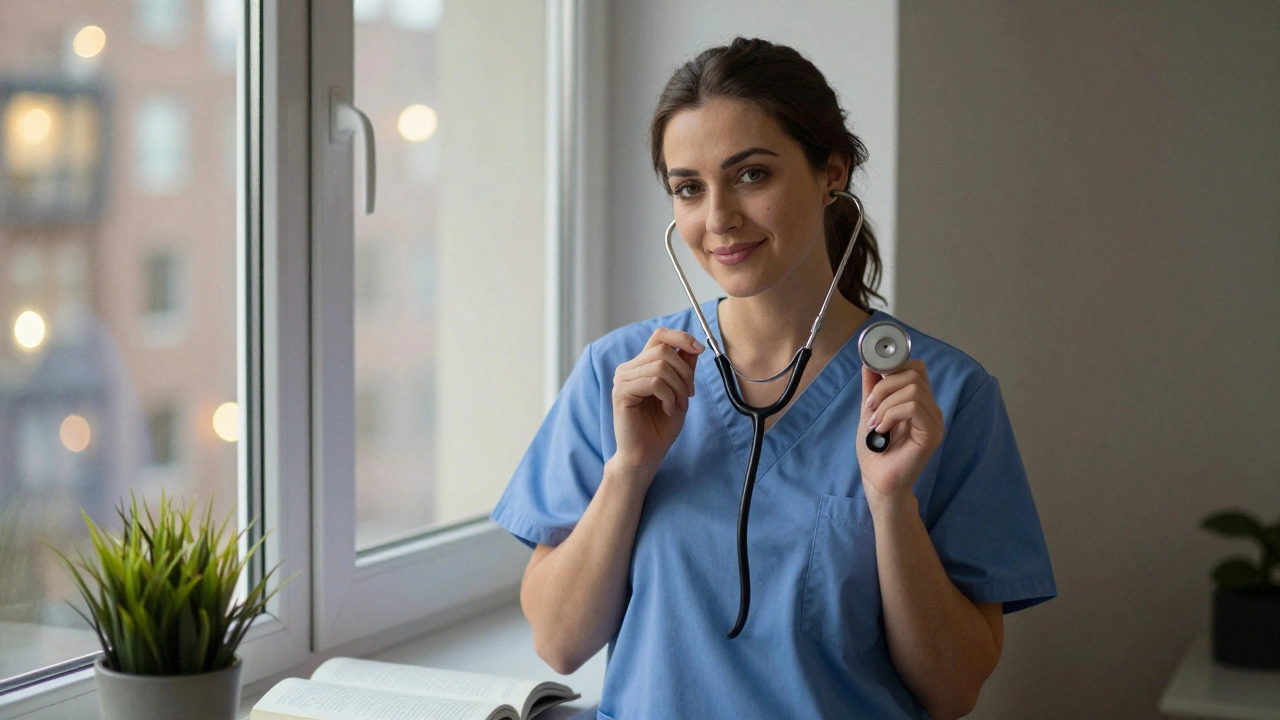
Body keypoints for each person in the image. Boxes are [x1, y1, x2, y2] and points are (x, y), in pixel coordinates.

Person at [490, 37, 1056, 720]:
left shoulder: (947, 397)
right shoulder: (619, 377)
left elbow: (953, 690)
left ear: (832, 173)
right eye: (689, 188)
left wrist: (891, 506)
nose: (719, 217)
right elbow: (558, 642)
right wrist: (629, 471)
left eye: (752, 175)